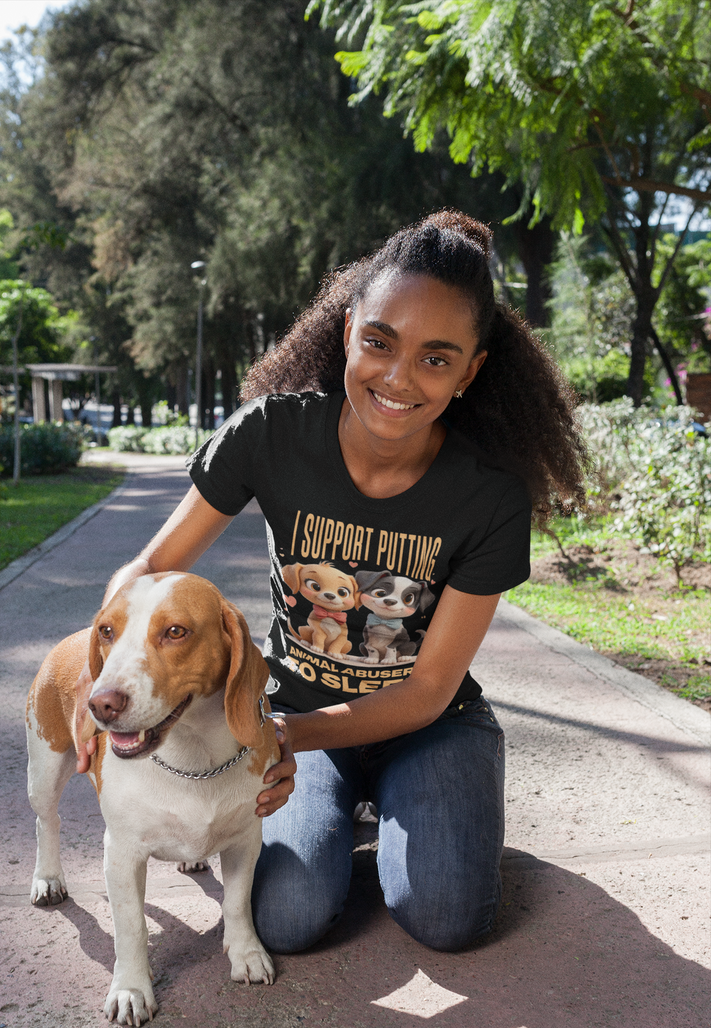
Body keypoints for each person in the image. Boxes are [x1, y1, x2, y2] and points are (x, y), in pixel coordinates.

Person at [78, 209, 587, 955]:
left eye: (436, 359)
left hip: (428, 726)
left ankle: (438, 815)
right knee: (285, 918)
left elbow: (426, 691)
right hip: (298, 714)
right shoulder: (272, 435)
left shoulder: (489, 496)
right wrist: (106, 672)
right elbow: (149, 570)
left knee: (447, 916)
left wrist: (282, 737)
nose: (398, 377)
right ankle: (353, 815)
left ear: (471, 370)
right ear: (348, 328)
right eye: (379, 341)